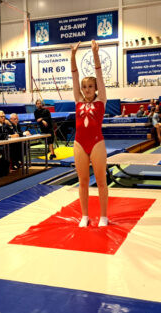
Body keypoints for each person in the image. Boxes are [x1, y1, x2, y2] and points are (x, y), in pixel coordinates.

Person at [71, 40, 108, 228]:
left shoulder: (101, 99)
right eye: (84, 87)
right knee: (83, 181)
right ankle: (84, 216)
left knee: (101, 181)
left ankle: (104, 216)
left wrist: (95, 53)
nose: (86, 90)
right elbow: (74, 76)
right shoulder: (77, 100)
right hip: (79, 143)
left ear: (95, 89)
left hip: (96, 143)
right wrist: (72, 56)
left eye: (90, 87)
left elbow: (99, 75)